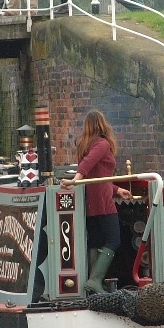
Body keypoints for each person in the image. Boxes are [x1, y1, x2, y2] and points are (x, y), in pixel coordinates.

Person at [60, 110, 132, 295]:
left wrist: (117, 190)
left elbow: (100, 175)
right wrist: (75, 180)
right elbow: (87, 165)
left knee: (96, 241)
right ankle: (95, 280)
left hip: (91, 201)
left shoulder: (84, 144)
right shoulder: (102, 144)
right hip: (102, 201)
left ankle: (91, 285)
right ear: (102, 124)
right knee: (114, 240)